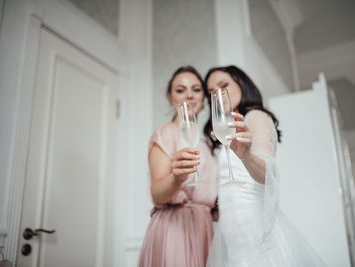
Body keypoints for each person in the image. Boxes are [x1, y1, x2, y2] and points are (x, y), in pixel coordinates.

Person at [204, 65, 325, 266]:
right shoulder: (225, 131)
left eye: (223, 85)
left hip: (255, 231)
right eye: (211, 92)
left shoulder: (255, 117)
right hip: (230, 235)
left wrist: (246, 157)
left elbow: (269, 172)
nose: (217, 94)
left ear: (242, 84)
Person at [138, 66, 218, 267]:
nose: (190, 95)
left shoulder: (206, 144)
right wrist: (177, 178)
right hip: (174, 230)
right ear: (169, 96)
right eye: (181, 90)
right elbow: (157, 194)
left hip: (204, 229)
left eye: (196, 89)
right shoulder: (166, 133)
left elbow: (208, 196)